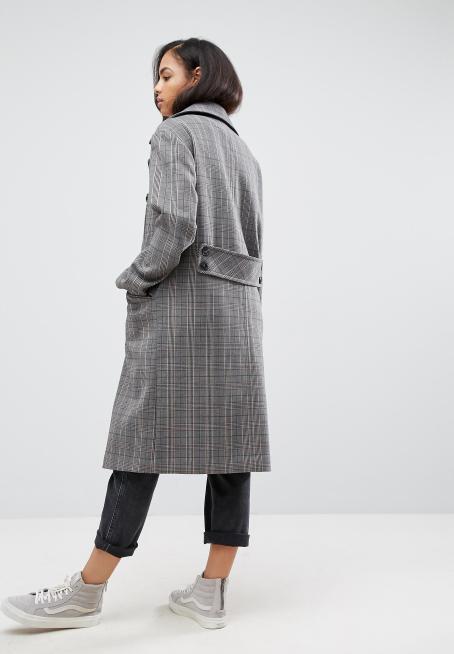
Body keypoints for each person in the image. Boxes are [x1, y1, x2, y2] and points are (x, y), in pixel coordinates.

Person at [1, 37, 271, 631]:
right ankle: (211, 590)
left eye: (166, 75)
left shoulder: (176, 134)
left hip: (181, 310)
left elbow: (175, 223)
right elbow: (254, 242)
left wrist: (137, 277)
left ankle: (86, 591)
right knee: (232, 448)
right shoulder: (243, 150)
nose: (156, 88)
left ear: (197, 76)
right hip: (237, 315)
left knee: (139, 440)